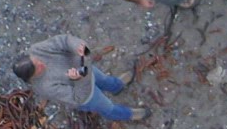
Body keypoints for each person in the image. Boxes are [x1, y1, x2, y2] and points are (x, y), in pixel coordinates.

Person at [11, 35, 146, 122]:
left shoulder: (36, 50)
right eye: (38, 68)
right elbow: (78, 98)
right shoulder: (45, 88)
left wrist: (77, 46)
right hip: (89, 96)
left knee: (104, 79)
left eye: (37, 61)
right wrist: (79, 78)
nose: (42, 64)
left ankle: (117, 86)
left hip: (84, 67)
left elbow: (63, 41)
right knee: (108, 108)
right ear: (33, 76)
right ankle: (128, 115)